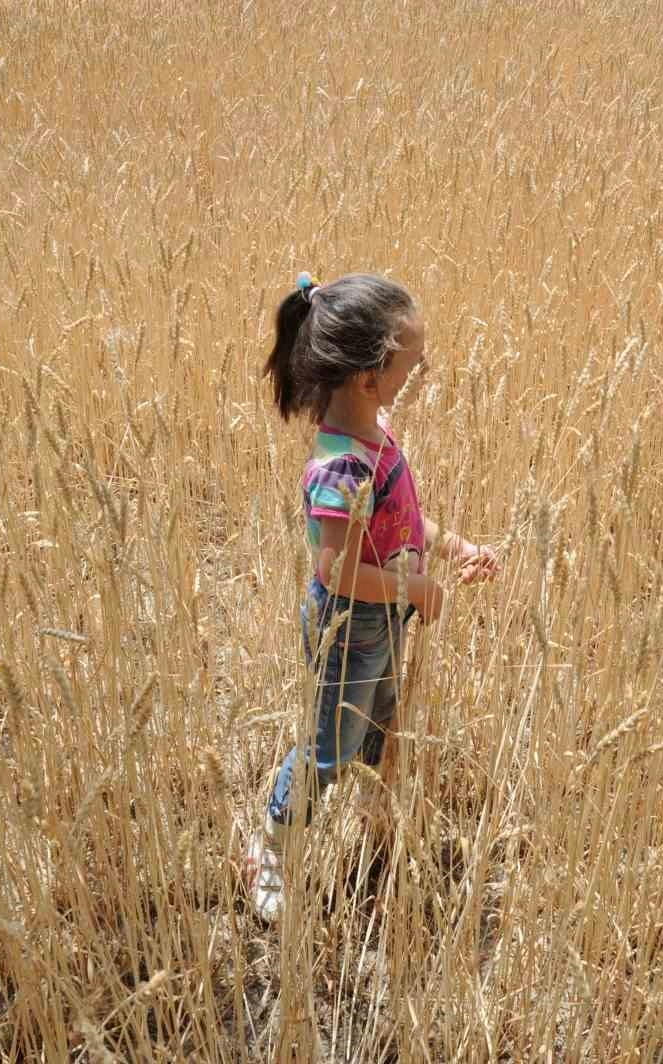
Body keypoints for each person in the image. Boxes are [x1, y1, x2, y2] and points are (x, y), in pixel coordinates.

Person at [244, 271, 500, 922]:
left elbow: (402, 519)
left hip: (385, 616)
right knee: (328, 746)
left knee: (380, 721)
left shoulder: (376, 430)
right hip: (349, 627)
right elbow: (335, 570)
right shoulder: (339, 468)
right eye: (415, 364)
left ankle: (372, 811)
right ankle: (271, 848)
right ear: (368, 378)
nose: (424, 373)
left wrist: (455, 547)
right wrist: (415, 586)